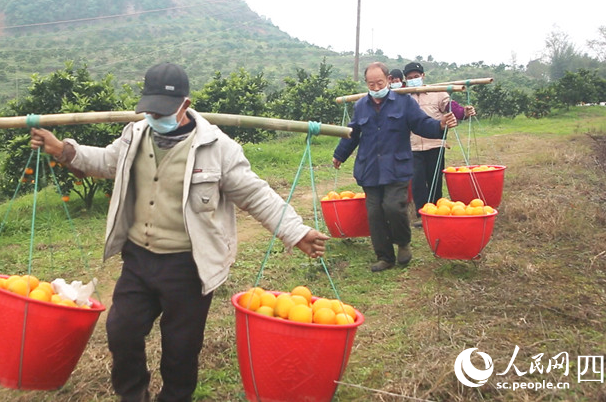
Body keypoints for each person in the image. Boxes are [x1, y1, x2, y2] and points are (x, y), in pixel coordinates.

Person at [29, 62, 329, 402]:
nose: (155, 117)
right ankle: (133, 395)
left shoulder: (217, 147)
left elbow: (256, 195)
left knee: (181, 347)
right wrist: (63, 150)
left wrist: (295, 232)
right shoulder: (134, 135)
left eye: (162, 111)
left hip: (188, 266)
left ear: (185, 104)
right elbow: (106, 162)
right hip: (139, 259)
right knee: (121, 331)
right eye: (150, 110)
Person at [332, 62, 457, 272]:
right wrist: (340, 155)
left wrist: (439, 125)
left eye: (379, 83)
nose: (375, 88)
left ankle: (403, 242)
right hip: (369, 168)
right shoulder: (361, 106)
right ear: (366, 83)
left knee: (393, 207)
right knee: (374, 213)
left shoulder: (404, 102)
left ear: (389, 80)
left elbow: (420, 123)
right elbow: (352, 133)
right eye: (371, 84)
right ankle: (384, 256)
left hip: (396, 167)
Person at [403, 62, 476, 227]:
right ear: (406, 80)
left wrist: (464, 112)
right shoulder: (404, 97)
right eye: (410, 78)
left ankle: (437, 211)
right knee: (417, 181)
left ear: (423, 76)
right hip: (413, 146)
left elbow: (451, 107)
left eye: (416, 76)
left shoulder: (437, 93)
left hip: (435, 143)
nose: (413, 79)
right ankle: (423, 214)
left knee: (434, 180)